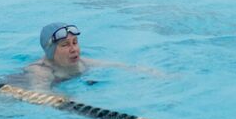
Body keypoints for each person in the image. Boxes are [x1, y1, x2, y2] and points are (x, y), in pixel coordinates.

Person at [19, 22, 149, 90]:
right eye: (65, 45)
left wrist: (147, 71)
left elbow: (116, 65)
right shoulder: (41, 70)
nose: (73, 49)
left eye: (75, 42)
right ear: (50, 51)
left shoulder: (82, 62)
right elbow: (41, 94)